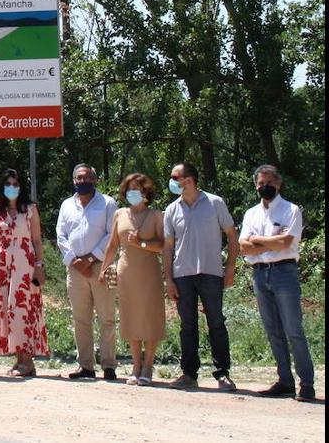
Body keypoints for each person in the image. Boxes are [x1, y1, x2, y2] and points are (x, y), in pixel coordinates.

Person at [239, 164, 315, 402]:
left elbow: (285, 243)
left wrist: (257, 240)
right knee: (273, 331)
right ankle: (285, 381)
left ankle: (307, 383)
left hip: (284, 272)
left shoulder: (291, 210)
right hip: (260, 274)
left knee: (293, 330)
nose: (264, 187)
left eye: (269, 183)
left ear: (278, 184)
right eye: (260, 183)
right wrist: (270, 241)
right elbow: (243, 247)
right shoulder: (251, 214)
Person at [162, 162, 239, 391]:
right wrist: (168, 279)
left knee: (216, 323)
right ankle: (189, 374)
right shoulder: (171, 210)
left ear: (189, 180)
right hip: (182, 275)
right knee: (187, 326)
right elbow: (167, 247)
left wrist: (230, 267)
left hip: (211, 272)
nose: (172, 182)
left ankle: (223, 374)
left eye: (175, 177)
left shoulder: (215, 202)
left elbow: (232, 235)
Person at [97, 173, 165, 386]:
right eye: (129, 189)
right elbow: (112, 244)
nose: (132, 193)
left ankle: (148, 366)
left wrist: (141, 243)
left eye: (137, 189)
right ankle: (136, 366)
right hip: (126, 272)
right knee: (130, 317)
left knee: (150, 317)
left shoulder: (156, 215)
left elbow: (163, 245)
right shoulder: (119, 214)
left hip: (149, 272)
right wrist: (104, 268)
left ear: (146, 192)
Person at [55, 163, 118, 380]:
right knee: (80, 319)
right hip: (75, 270)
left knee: (107, 317)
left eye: (87, 178)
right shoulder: (66, 205)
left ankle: (109, 365)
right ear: (74, 181)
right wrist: (74, 260)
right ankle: (86, 366)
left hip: (104, 266)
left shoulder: (108, 203)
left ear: (95, 180)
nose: (83, 182)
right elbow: (61, 235)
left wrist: (90, 258)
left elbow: (112, 234)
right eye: (79, 178)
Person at [0, 169, 48, 377]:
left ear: (21, 187)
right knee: (7, 309)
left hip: (25, 263)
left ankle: (27, 360)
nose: (11, 188)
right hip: (3, 264)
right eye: (8, 184)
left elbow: (37, 240)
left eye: (15, 184)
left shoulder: (30, 209)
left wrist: (39, 265)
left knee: (23, 307)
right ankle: (19, 359)